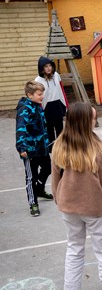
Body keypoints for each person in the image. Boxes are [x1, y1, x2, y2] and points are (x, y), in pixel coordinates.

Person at [51, 102, 102, 290]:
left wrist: (59, 198)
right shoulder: (98, 148)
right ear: (85, 122)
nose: (96, 120)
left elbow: (55, 178)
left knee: (74, 247)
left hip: (68, 207)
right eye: (93, 117)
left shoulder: (59, 144)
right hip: (94, 207)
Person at [16, 81, 53, 216]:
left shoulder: (38, 106)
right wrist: (21, 147)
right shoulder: (24, 109)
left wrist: (47, 142)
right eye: (39, 94)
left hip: (41, 147)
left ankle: (40, 189)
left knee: (48, 168)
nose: (42, 96)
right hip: (30, 150)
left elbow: (43, 126)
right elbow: (21, 129)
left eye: (42, 93)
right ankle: (33, 203)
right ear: (29, 95)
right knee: (31, 177)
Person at [34, 56, 68, 150]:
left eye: (50, 66)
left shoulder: (56, 75)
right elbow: (37, 97)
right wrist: (39, 111)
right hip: (46, 108)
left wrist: (66, 105)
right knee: (49, 130)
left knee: (60, 129)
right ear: (41, 68)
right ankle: (52, 149)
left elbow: (62, 90)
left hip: (57, 105)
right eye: (46, 66)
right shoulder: (37, 81)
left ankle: (61, 148)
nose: (49, 68)